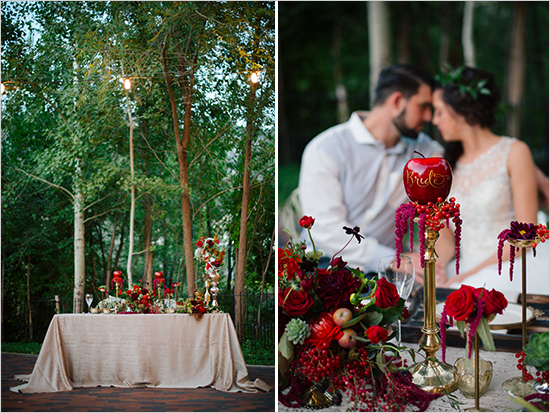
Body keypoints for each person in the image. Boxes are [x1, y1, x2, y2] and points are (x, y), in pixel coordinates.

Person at [298, 64, 442, 276]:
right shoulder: (326, 149)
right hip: (324, 264)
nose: (429, 117)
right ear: (397, 102)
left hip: (387, 273)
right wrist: (393, 259)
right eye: (423, 107)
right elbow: (325, 229)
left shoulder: (425, 151)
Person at [431, 66, 549, 299]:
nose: (435, 120)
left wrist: (467, 276)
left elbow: (526, 234)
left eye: (439, 112)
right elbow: (446, 239)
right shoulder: (447, 165)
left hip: (510, 264)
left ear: (461, 110)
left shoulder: (514, 152)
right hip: (465, 269)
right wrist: (438, 268)